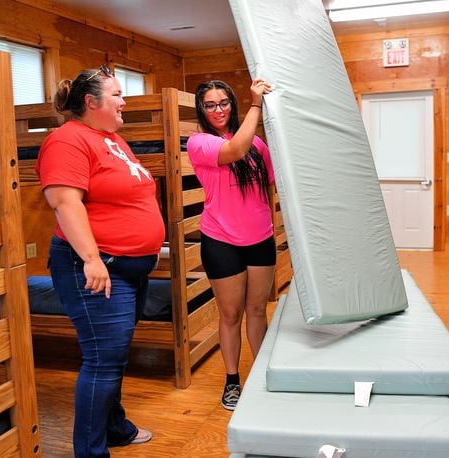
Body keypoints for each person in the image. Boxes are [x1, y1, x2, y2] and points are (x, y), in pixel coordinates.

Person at [35, 64, 162, 457]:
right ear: (91, 102)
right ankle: (90, 451)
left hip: (128, 267)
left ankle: (115, 428)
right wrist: (92, 259)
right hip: (94, 266)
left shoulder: (112, 139)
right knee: (102, 361)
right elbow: (64, 202)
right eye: (116, 95)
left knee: (114, 354)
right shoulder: (66, 141)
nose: (124, 101)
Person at [187, 79, 276, 410]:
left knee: (257, 311)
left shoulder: (259, 147)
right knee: (230, 314)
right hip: (221, 240)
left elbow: (270, 188)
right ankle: (232, 381)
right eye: (210, 104)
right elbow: (235, 149)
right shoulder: (199, 142)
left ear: (231, 104)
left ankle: (264, 374)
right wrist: (257, 104)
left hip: (261, 239)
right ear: (202, 110)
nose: (218, 110)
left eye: (223, 102)